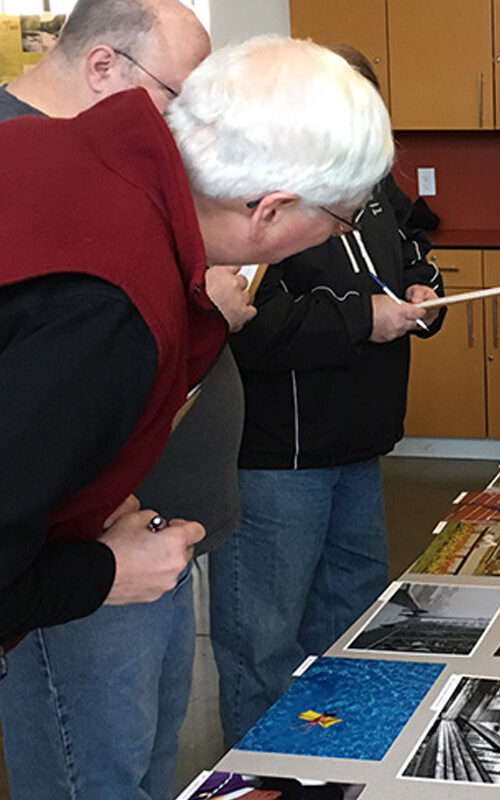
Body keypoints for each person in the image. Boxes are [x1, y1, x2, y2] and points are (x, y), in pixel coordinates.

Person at [0, 33, 394, 800]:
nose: (342, 234)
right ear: (273, 210)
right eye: (344, 222)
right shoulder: (111, 306)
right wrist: (103, 570)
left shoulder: (70, 149)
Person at [0, 3, 252, 797]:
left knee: (142, 760)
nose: (191, 136)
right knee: (92, 771)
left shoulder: (116, 173)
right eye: (183, 99)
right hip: (76, 561)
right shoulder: (32, 167)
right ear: (106, 68)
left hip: (139, 530)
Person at [208, 43, 444, 746]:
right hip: (280, 456)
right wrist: (361, 319)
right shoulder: (250, 193)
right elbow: (249, 327)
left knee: (352, 617)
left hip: (359, 443)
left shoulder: (370, 187)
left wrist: (422, 292)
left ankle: (336, 760)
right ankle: (262, 774)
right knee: (264, 638)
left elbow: (411, 251)